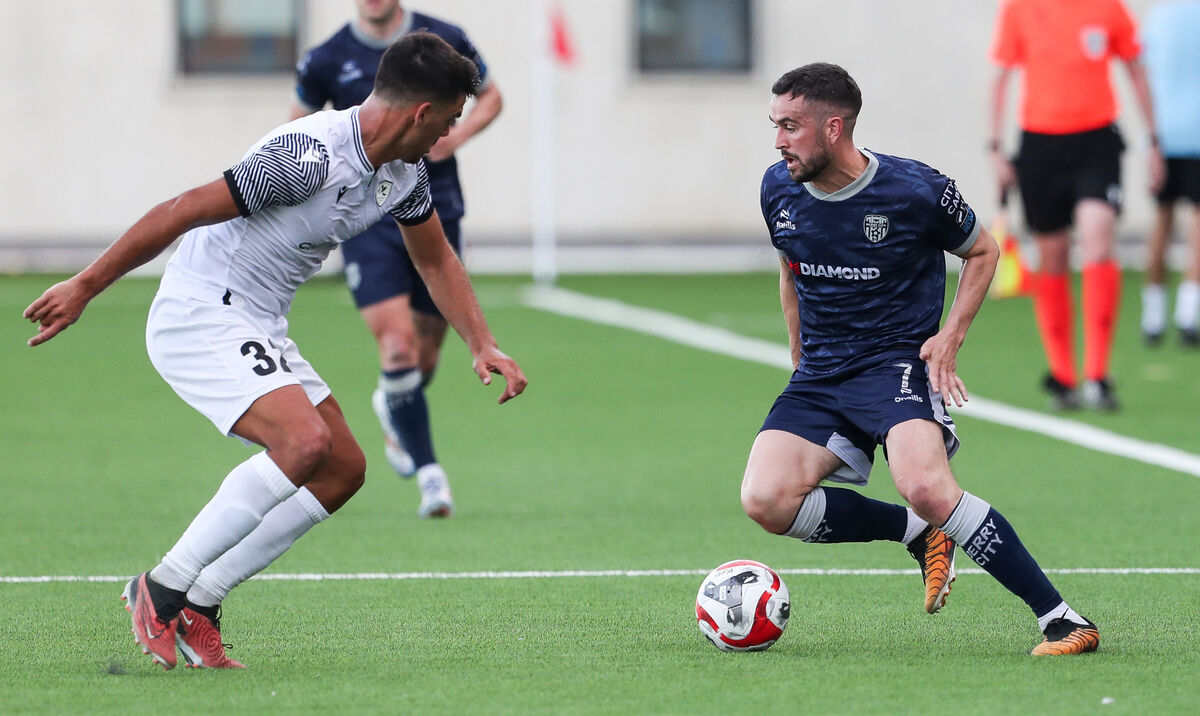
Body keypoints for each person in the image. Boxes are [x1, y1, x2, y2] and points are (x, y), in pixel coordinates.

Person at [23, 33, 526, 671]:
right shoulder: (306, 156)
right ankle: (162, 586)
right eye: (450, 120)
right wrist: (86, 284)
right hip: (200, 310)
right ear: (421, 114)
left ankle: (199, 602)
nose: (450, 134)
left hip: (258, 321)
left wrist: (481, 343)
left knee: (343, 468)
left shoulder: (404, 172)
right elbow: (182, 210)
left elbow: (434, 259)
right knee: (302, 443)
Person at [743, 62, 1098, 655]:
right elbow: (791, 267)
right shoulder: (777, 186)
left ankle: (1062, 619)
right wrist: (799, 355)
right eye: (775, 125)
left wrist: (951, 335)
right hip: (822, 374)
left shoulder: (914, 191)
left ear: (835, 128)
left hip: (894, 366)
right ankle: (917, 535)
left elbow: (984, 251)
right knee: (766, 500)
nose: (779, 141)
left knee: (926, 484)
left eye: (791, 126)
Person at [291, 0, 503, 518]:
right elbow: (296, 128)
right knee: (398, 345)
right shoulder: (325, 58)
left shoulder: (445, 40)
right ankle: (432, 476)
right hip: (366, 218)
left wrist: (455, 140)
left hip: (433, 207)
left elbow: (492, 98)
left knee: (426, 354)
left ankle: (394, 404)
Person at [988, 0, 1163, 412]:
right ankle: (1063, 375)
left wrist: (1152, 141)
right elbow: (1000, 78)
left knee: (1097, 241)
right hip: (1040, 146)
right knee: (1054, 258)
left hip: (1097, 143)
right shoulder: (1020, 9)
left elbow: (1136, 69)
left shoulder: (1109, 8)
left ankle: (1098, 375)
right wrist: (995, 148)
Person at [1140, 0, 1200, 347]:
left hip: (1163, 132)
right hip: (1196, 131)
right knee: (1196, 226)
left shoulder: (1158, 18)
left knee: (1161, 222)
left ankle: (1153, 316)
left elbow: (1143, 68)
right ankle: (1188, 315)